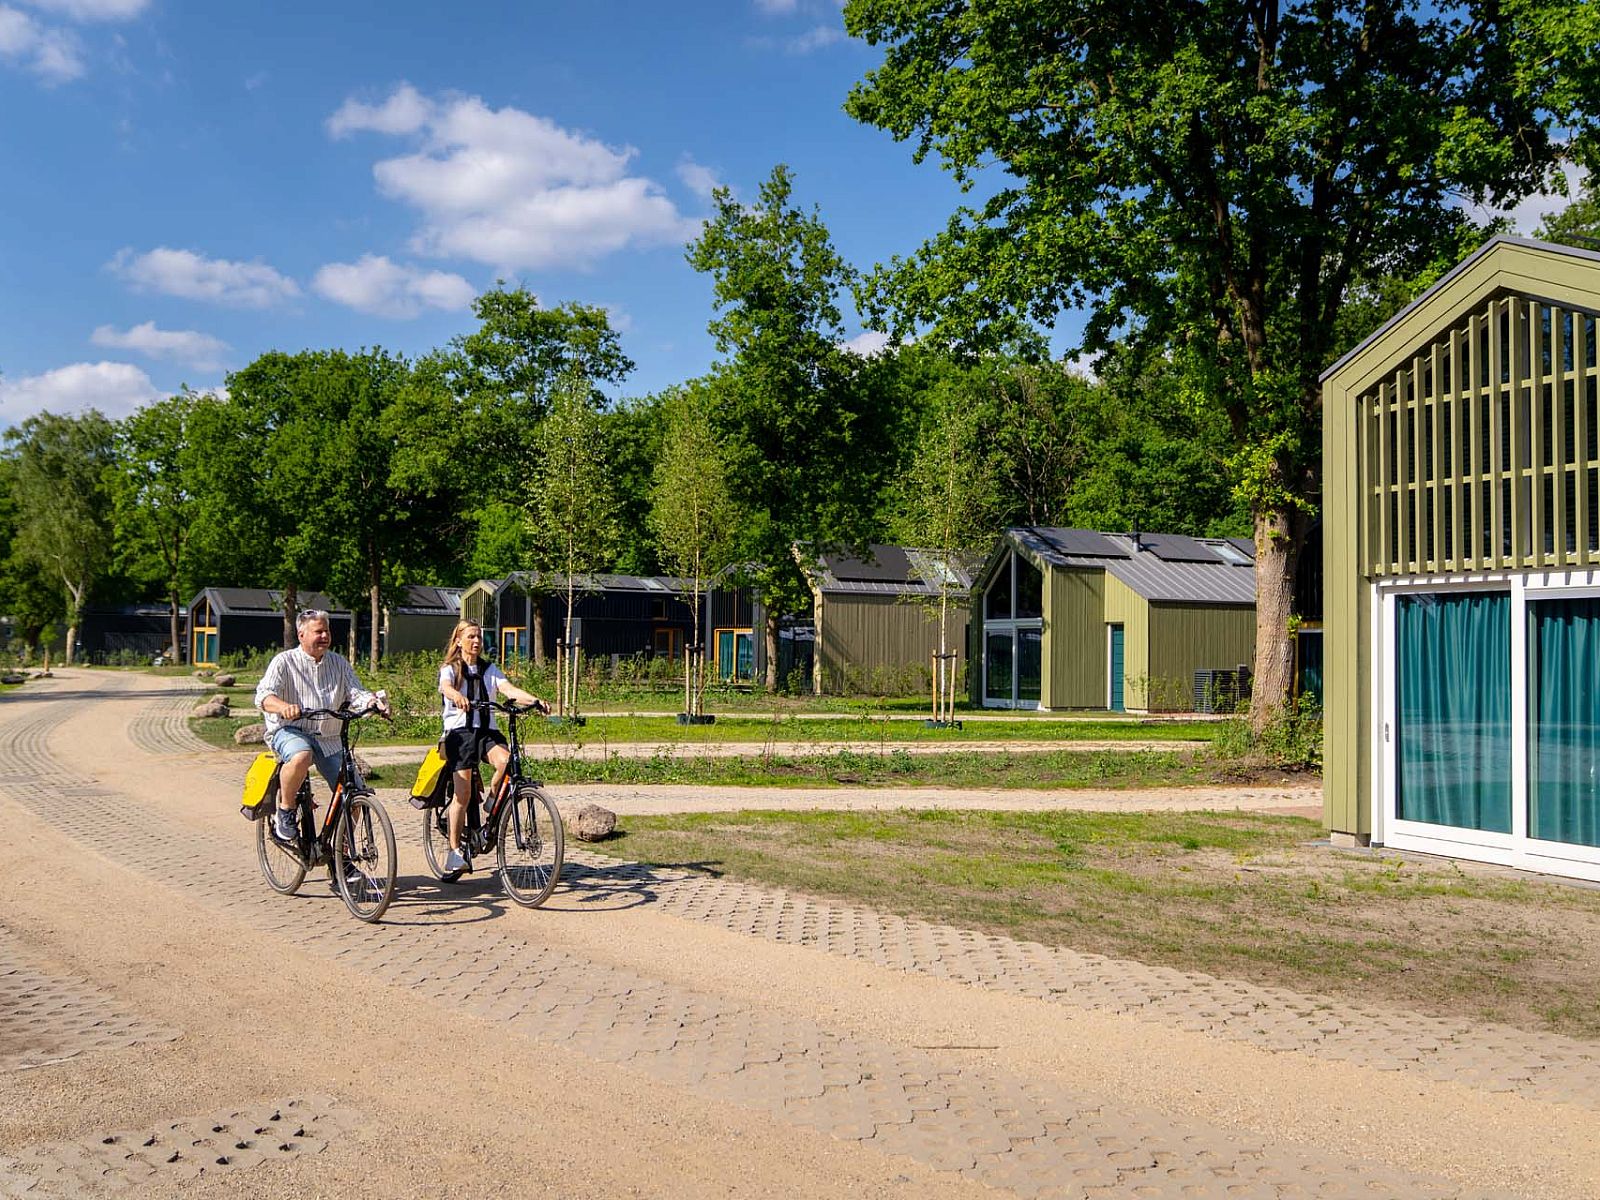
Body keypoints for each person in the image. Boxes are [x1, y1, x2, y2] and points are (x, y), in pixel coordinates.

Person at [256, 609, 389, 844]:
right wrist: (283, 706)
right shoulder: (284, 662)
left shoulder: (338, 663)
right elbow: (264, 696)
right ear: (301, 635)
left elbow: (355, 692)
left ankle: (342, 859)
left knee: (355, 792)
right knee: (301, 756)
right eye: (318, 631)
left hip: (329, 737)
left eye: (327, 630)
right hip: (290, 730)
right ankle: (285, 811)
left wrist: (373, 703)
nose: (325, 636)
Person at [438, 620, 548, 873]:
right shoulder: (451, 668)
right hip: (459, 733)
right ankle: (454, 852)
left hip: (487, 731)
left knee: (507, 761)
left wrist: (535, 700)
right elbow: (446, 688)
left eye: (479, 637)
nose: (476, 641)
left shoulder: (489, 669)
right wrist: (456, 695)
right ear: (458, 641)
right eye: (471, 637)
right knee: (462, 795)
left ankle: (491, 799)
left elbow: (508, 689)